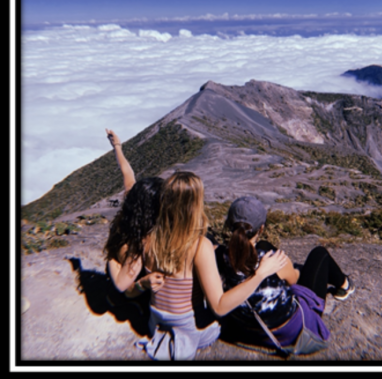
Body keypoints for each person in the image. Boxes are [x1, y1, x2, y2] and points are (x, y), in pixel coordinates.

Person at [135, 172, 287, 360]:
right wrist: (260, 274)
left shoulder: (148, 237)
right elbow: (219, 307)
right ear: (194, 205)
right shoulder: (199, 245)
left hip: (156, 322)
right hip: (190, 331)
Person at [215, 196, 355, 355]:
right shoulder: (270, 259)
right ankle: (345, 286)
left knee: (271, 251)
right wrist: (292, 269)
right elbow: (294, 282)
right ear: (261, 229)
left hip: (245, 329)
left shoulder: (218, 256)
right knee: (319, 254)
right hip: (289, 332)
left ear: (229, 225)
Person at [103, 129, 165, 306]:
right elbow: (122, 285)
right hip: (134, 289)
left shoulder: (133, 204)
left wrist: (117, 146)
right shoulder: (140, 242)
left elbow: (127, 173)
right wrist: (112, 260)